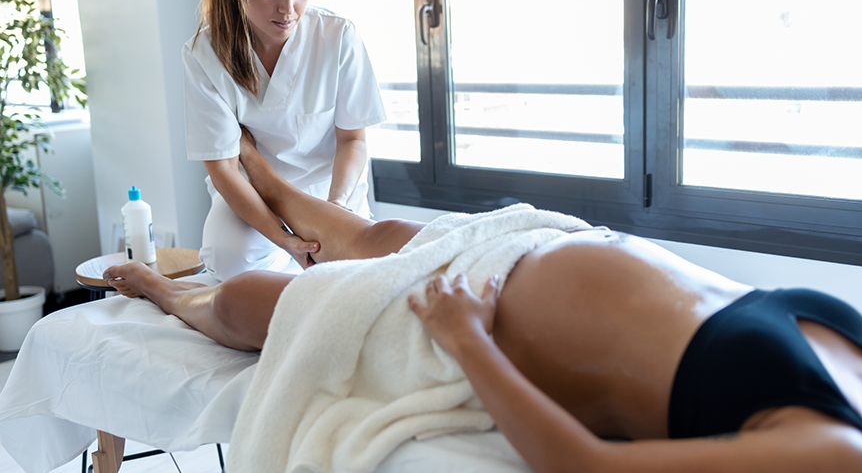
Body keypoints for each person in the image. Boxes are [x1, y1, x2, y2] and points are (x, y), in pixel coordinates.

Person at [104, 131, 862, 472]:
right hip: (540, 241)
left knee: (258, 302)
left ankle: (173, 293)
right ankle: (273, 188)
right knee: (387, 229)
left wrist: (468, 336)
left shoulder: (835, 454)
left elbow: (585, 464)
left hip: (482, 313)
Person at [182, 0, 386, 280]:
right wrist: (285, 240)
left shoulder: (337, 37)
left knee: (356, 275)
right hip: (251, 197)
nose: (288, 8)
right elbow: (225, 168)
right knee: (232, 260)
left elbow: (353, 139)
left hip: (330, 193)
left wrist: (334, 210)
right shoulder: (205, 55)